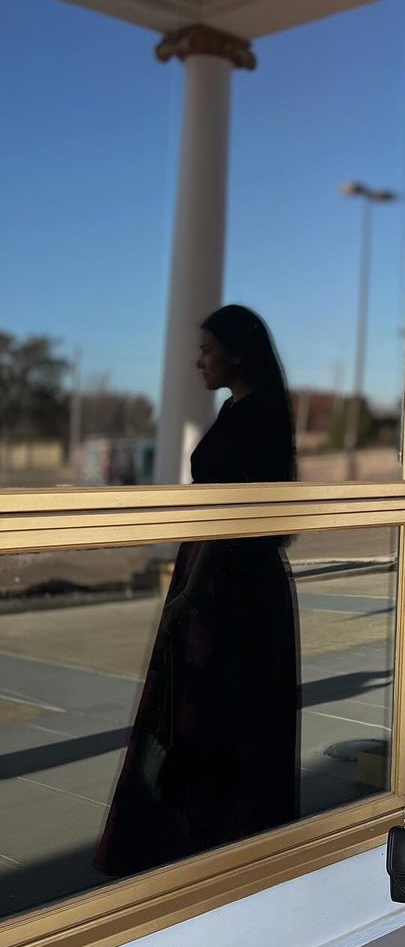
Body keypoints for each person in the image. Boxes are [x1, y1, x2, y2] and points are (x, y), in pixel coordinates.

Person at [93, 305, 300, 878]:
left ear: (236, 352)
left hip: (228, 582)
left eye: (207, 349)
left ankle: (207, 842)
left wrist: (190, 591)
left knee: (215, 714)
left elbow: (227, 515)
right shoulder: (241, 409)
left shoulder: (255, 414)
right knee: (211, 713)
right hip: (221, 574)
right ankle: (201, 839)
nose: (198, 360)